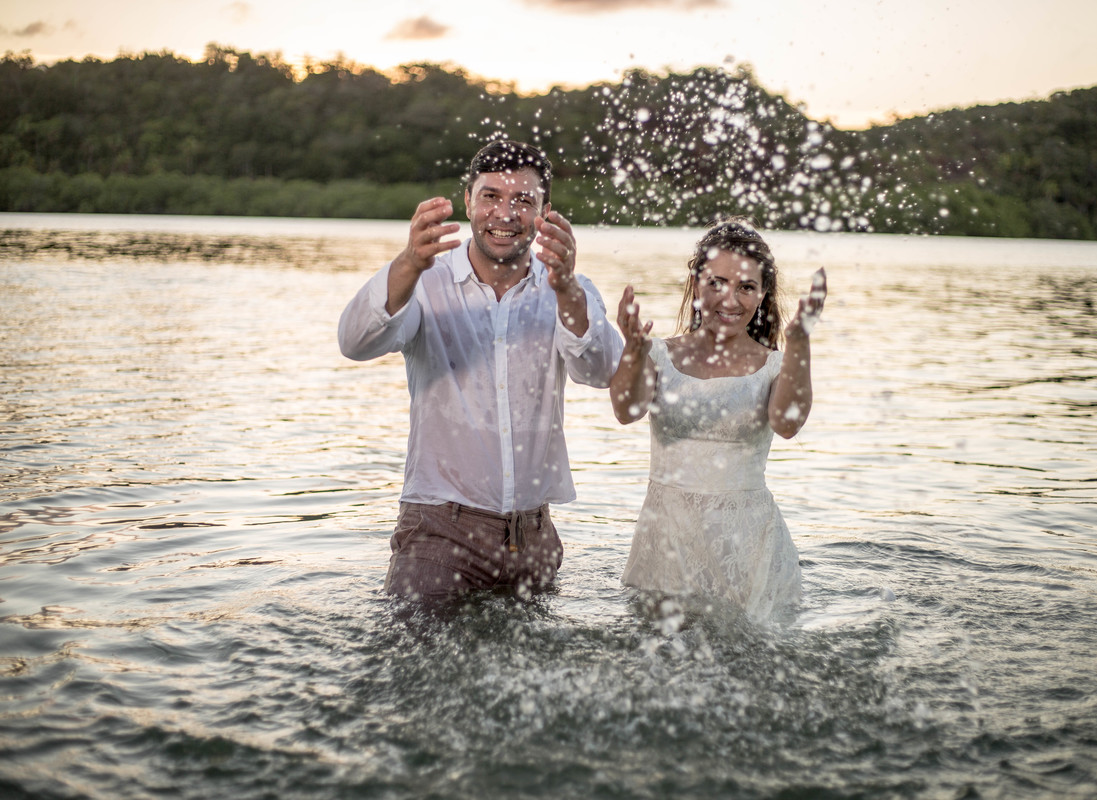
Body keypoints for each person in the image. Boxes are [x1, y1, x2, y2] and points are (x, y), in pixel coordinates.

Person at [338, 140, 623, 601]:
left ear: (545, 212)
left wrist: (567, 288)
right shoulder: (425, 282)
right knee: (414, 666)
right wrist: (410, 261)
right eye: (490, 196)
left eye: (522, 201)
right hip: (438, 532)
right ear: (468, 200)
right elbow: (355, 342)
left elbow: (602, 371)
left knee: (534, 672)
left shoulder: (569, 290)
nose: (505, 213)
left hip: (535, 538)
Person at [609, 218, 827, 621]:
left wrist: (799, 341)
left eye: (746, 287)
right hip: (667, 539)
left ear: (762, 295)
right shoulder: (659, 354)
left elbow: (788, 423)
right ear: (696, 283)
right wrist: (632, 350)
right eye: (718, 283)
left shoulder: (774, 364)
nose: (730, 300)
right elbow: (626, 411)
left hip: (747, 543)